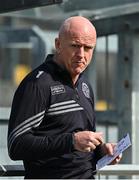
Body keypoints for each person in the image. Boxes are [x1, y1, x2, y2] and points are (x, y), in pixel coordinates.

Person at [8, 16, 121, 179]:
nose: (81, 54)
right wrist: (71, 141)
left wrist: (102, 151)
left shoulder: (85, 87)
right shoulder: (38, 84)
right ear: (58, 44)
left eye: (88, 48)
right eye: (75, 46)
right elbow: (16, 145)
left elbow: (78, 152)